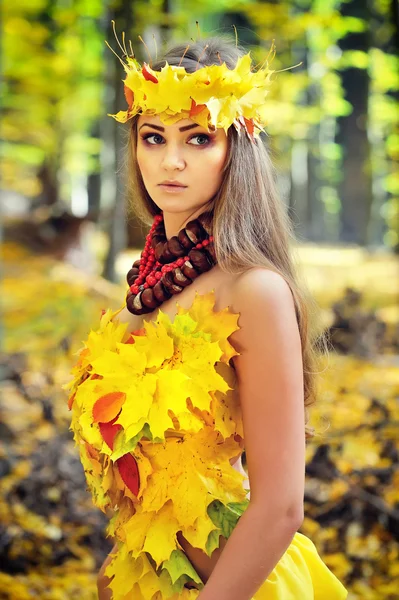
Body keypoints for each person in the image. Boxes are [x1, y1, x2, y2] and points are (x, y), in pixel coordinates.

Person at [66, 30, 349, 600]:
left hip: (241, 584)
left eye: (198, 138)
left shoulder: (254, 291)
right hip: (143, 581)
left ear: (235, 151)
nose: (170, 161)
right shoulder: (140, 296)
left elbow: (281, 506)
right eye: (153, 137)